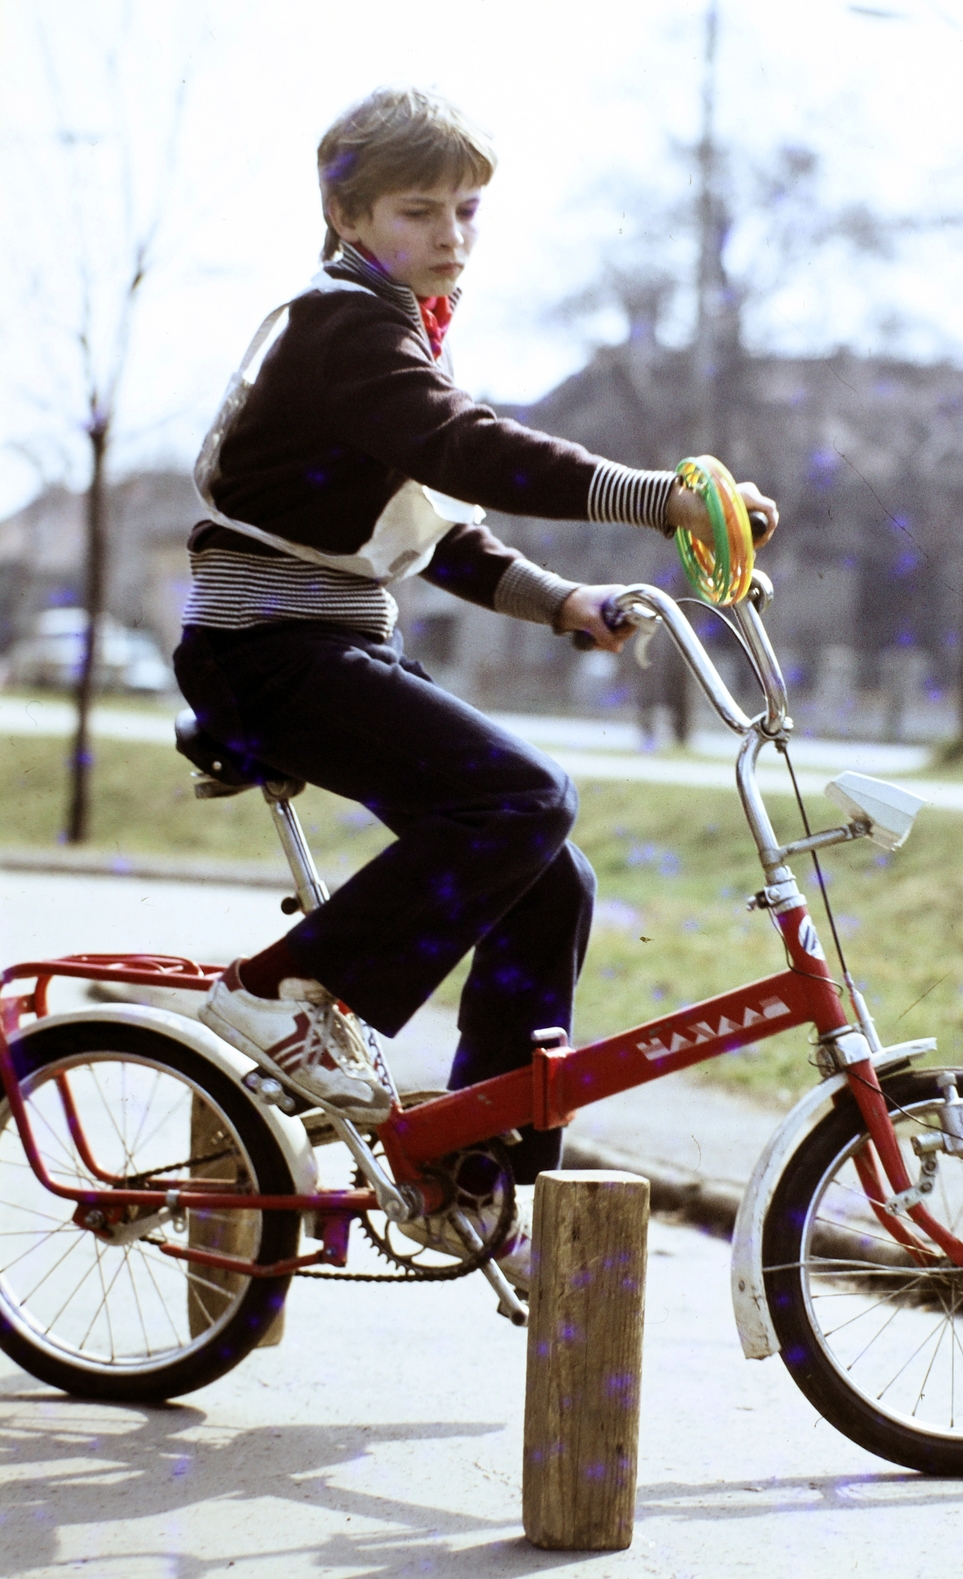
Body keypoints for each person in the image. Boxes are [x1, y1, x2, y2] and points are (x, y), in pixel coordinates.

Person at [175, 88, 778, 1287]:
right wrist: (654, 496)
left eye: (468, 210)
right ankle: (285, 991)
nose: (451, 232)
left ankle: (474, 1159)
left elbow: (441, 523)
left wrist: (564, 603)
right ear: (346, 214)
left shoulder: (394, 332)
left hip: (328, 647)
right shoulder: (343, 325)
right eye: (419, 209)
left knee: (552, 880)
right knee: (521, 799)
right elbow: (467, 448)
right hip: (267, 653)